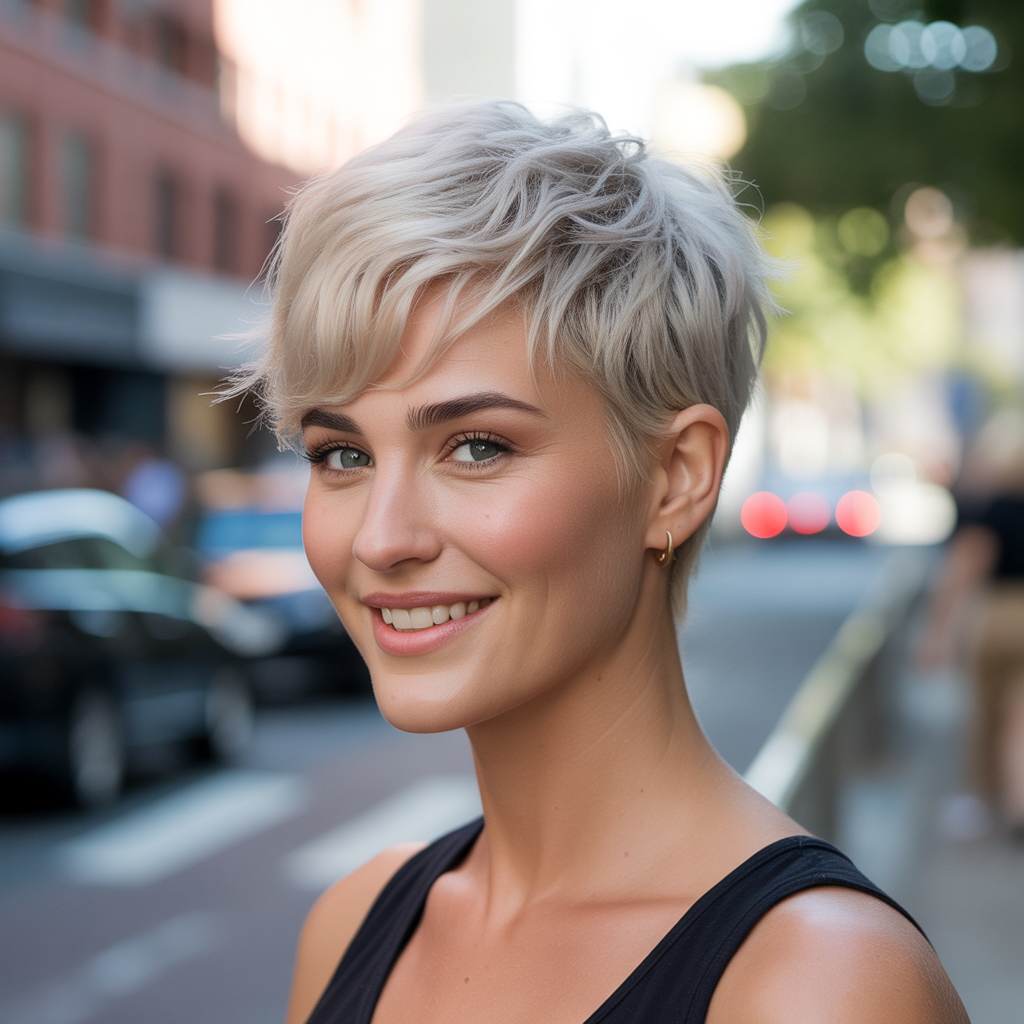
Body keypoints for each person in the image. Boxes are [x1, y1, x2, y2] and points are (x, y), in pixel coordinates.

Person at [232, 102, 966, 1024]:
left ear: (674, 477)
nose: (382, 538)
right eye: (342, 455)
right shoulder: (352, 926)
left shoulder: (817, 986)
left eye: (476, 446)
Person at [919, 409, 1024, 833]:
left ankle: (990, 802)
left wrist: (936, 632)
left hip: (996, 616)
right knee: (1019, 714)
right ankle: (1018, 803)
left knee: (986, 712)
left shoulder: (989, 511)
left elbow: (962, 571)